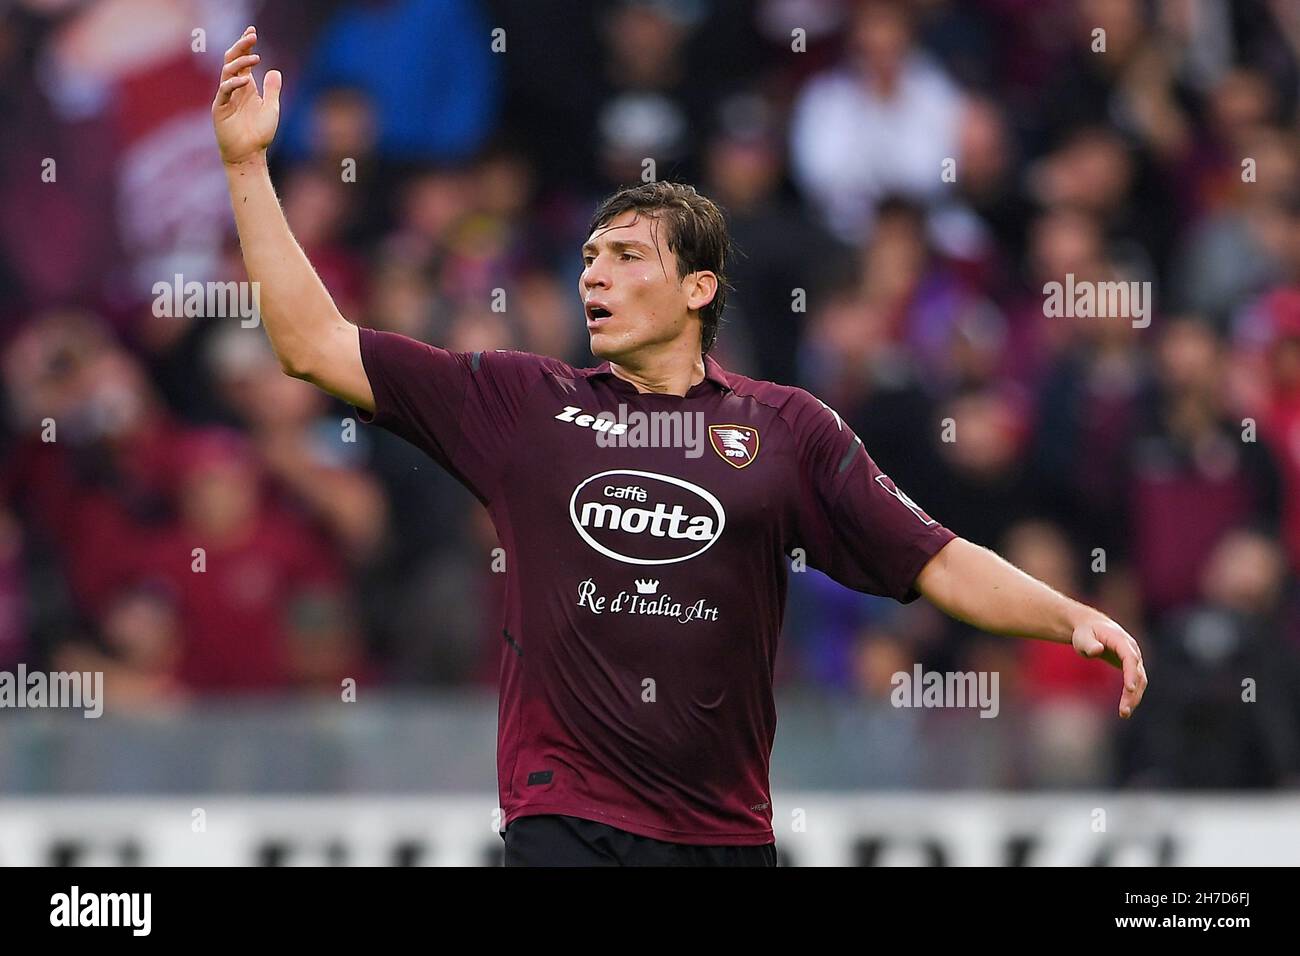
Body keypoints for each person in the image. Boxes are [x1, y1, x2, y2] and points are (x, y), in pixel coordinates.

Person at [212, 26, 1147, 867]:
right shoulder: (520, 403)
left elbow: (933, 559)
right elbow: (313, 346)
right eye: (587, 259)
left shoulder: (787, 429)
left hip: (721, 835)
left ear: (699, 288)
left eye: (626, 257)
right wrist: (247, 169)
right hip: (563, 819)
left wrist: (1067, 615)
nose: (594, 276)